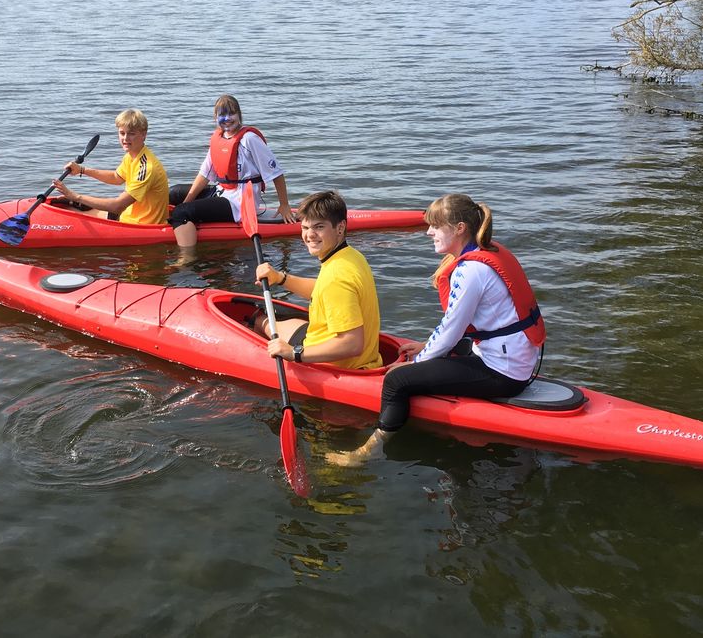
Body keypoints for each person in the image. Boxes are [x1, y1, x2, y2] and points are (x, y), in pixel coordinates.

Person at [325, 193, 544, 466]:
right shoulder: (485, 252)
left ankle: (367, 452)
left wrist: (416, 363)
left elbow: (452, 329)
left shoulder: (471, 271)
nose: (429, 232)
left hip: (504, 371)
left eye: (436, 226)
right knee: (437, 352)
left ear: (459, 228)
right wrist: (427, 347)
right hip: (514, 357)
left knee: (396, 382)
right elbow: (465, 324)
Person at [253, 190, 383, 371]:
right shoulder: (351, 256)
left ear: (340, 227)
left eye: (319, 227)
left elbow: (353, 344)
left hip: (335, 364)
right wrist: (280, 278)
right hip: (362, 357)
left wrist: (294, 353)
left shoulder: (336, 277)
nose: (310, 235)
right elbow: (322, 289)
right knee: (286, 317)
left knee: (257, 319)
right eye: (305, 228)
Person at [168, 94, 295, 249]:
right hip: (221, 192)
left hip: (240, 203)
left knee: (181, 212)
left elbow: (276, 173)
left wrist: (284, 205)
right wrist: (188, 200)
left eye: (231, 113)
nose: (227, 118)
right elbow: (204, 175)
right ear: (215, 117)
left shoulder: (249, 139)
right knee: (173, 193)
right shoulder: (218, 138)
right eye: (222, 114)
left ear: (239, 115)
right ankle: (168, 222)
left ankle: (187, 257)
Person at [52, 108, 169, 225]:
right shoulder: (132, 156)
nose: (125, 138)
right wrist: (82, 170)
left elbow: (118, 206)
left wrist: (76, 197)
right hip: (128, 214)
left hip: (139, 224)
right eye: (122, 133)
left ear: (143, 134)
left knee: (73, 217)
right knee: (66, 209)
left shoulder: (146, 168)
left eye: (131, 134)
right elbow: (116, 177)